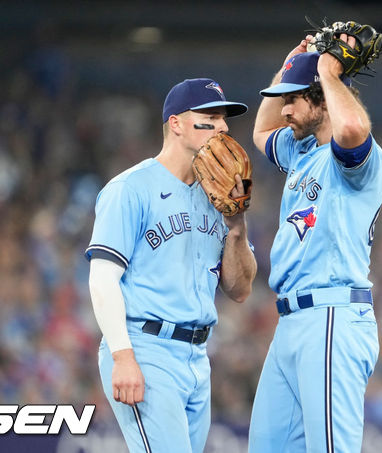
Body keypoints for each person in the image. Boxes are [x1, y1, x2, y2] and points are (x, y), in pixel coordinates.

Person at [86, 78, 257, 453]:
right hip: (146, 348)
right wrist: (123, 356)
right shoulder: (130, 188)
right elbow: (101, 279)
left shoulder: (220, 194)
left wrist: (237, 226)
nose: (223, 127)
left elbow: (240, 289)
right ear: (177, 123)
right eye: (209, 117)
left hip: (197, 358)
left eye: (224, 119)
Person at [248, 34, 382, 453]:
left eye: (293, 99)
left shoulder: (355, 161)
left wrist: (328, 71)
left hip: (331, 315)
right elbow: (261, 131)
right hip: (292, 322)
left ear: (323, 99)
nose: (284, 108)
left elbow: (350, 127)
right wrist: (290, 64)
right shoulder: (301, 150)